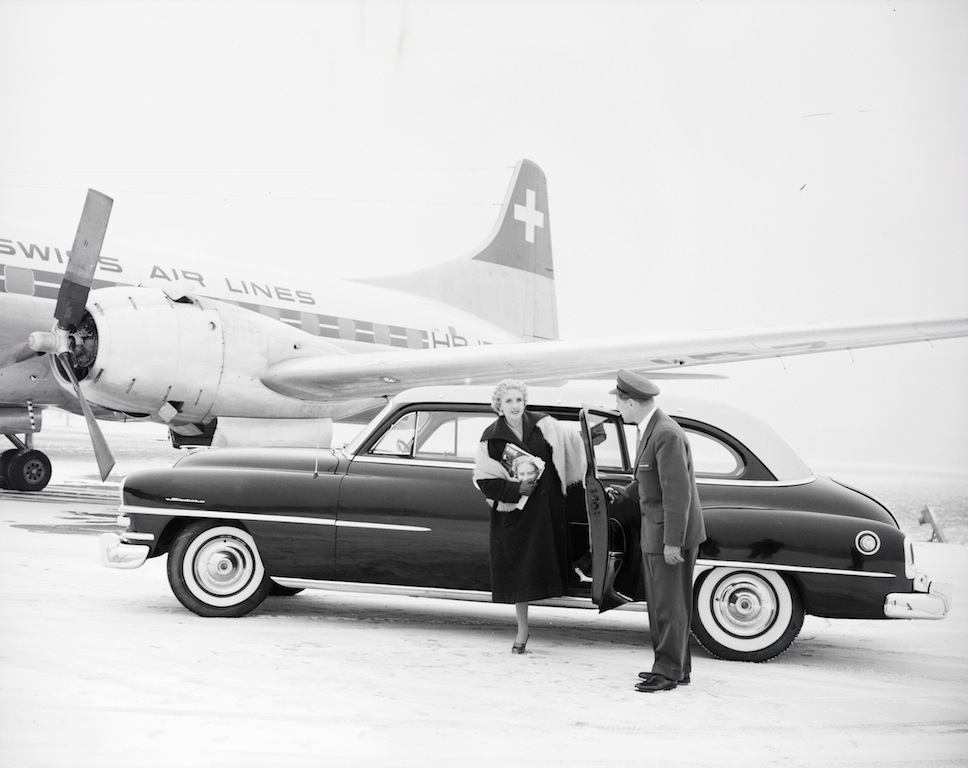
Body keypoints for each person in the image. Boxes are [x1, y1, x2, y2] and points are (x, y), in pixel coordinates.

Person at [606, 370, 706, 692]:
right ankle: (677, 668)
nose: (619, 409)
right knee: (666, 604)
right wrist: (624, 493)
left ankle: (667, 672)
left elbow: (678, 494)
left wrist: (673, 542)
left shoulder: (665, 434)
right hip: (657, 531)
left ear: (632, 402)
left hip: (668, 536)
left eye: (620, 403)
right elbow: (650, 480)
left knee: (669, 606)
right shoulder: (650, 430)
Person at [473, 379, 586, 653]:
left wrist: (590, 434)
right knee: (520, 576)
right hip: (516, 515)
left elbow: (571, 442)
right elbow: (484, 480)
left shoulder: (544, 425)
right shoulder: (491, 437)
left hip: (547, 512)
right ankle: (522, 631)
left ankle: (567, 625)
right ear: (498, 405)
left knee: (547, 566)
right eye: (509, 401)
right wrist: (516, 489)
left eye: (519, 400)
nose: (515, 405)